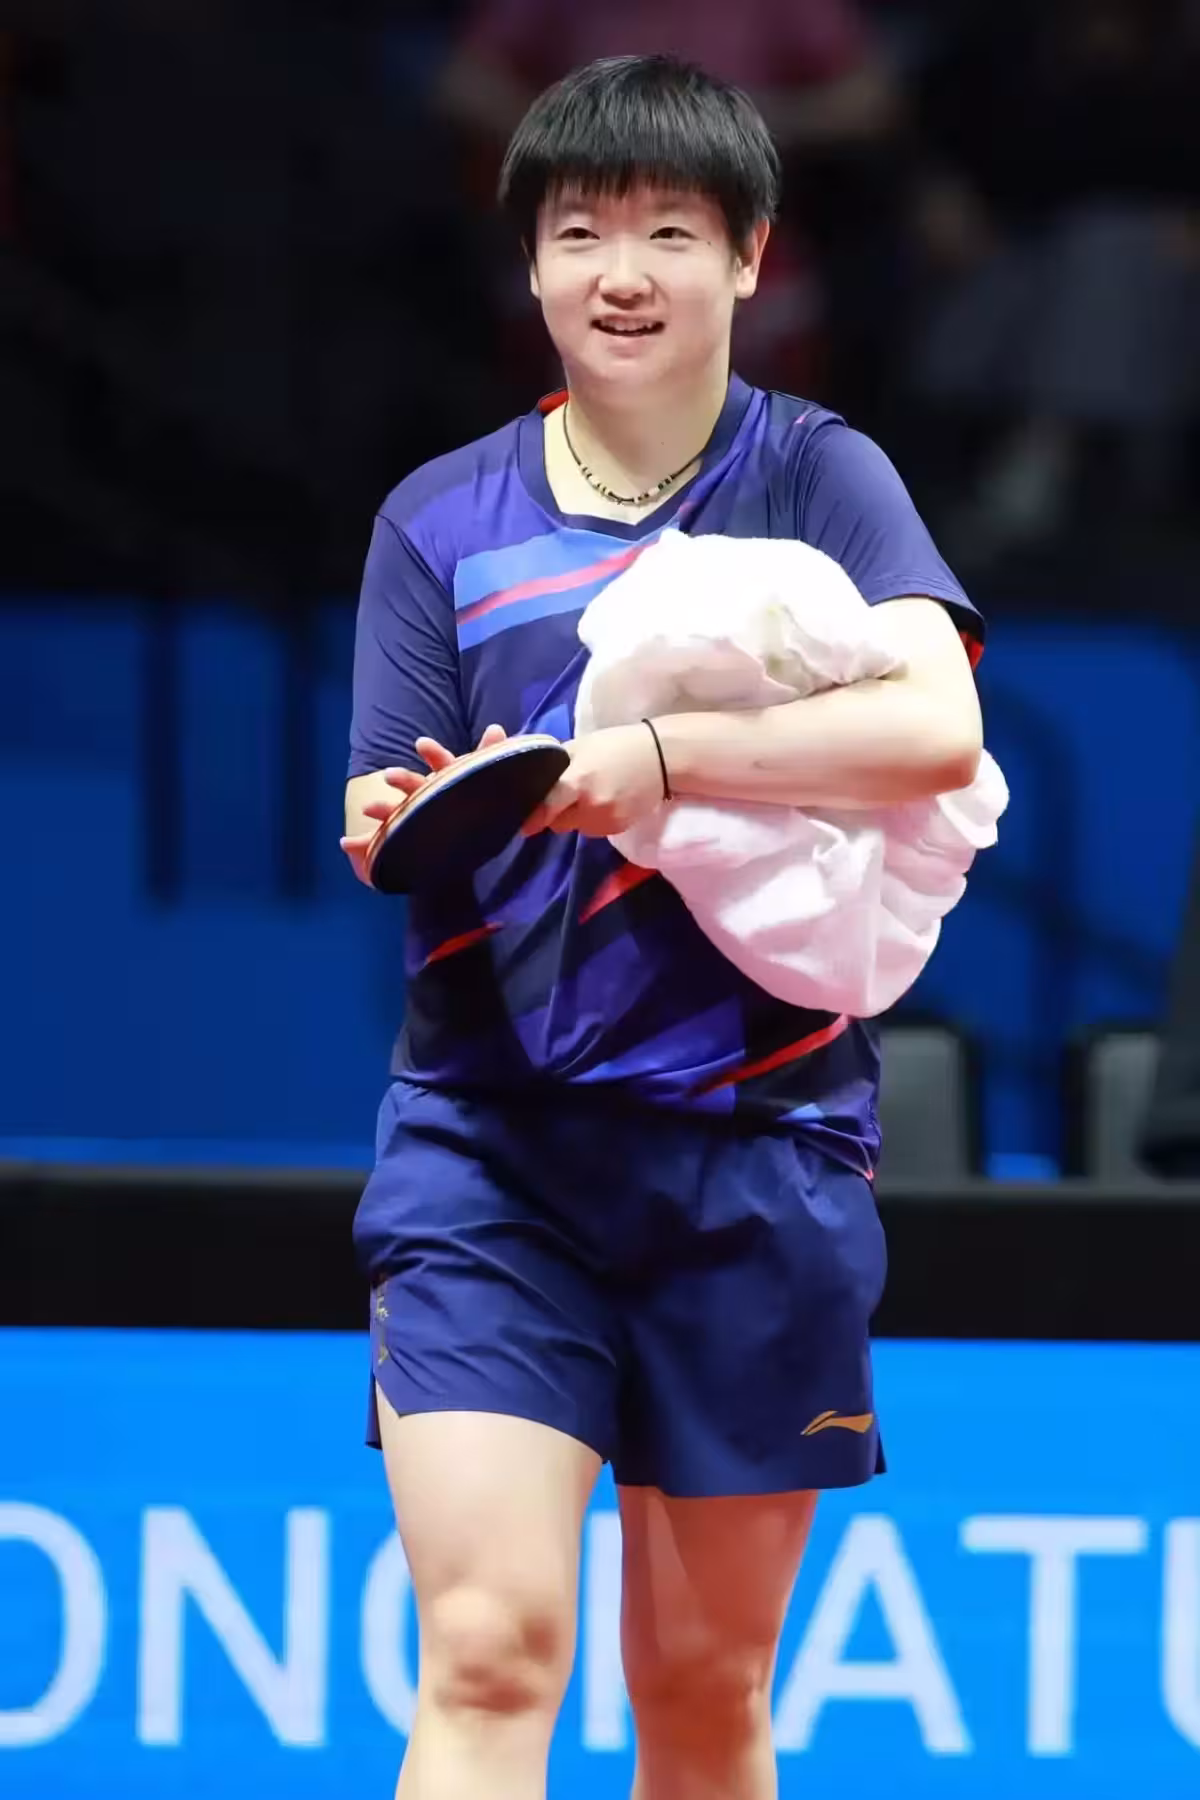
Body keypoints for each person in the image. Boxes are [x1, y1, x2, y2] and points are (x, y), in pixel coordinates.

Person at [341, 54, 984, 1800]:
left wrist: (657, 764)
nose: (622, 273)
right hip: (492, 1150)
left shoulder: (823, 480)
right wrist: (398, 818)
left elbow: (938, 728)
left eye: (672, 233)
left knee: (702, 1691)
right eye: (580, 233)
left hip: (757, 1147)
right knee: (490, 1649)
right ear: (530, 264)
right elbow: (390, 809)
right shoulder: (441, 523)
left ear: (752, 257)